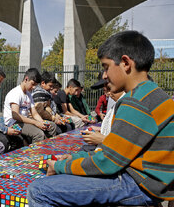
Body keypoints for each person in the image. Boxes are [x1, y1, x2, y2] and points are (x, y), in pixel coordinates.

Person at [27, 30, 174, 206]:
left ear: (126, 63)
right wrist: (74, 158)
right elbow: (117, 150)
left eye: (106, 67)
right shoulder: (153, 95)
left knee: (40, 190)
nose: (104, 75)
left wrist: (60, 167)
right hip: (148, 181)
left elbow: (108, 162)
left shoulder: (136, 102)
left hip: (138, 184)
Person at [3, 68, 57, 144]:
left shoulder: (28, 94)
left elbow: (34, 113)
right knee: (38, 134)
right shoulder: (16, 93)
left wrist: (42, 122)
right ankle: (35, 154)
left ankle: (48, 148)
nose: (34, 87)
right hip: (15, 122)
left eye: (36, 85)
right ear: (26, 79)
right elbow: (16, 116)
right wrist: (35, 123)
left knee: (52, 126)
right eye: (32, 84)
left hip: (25, 120)